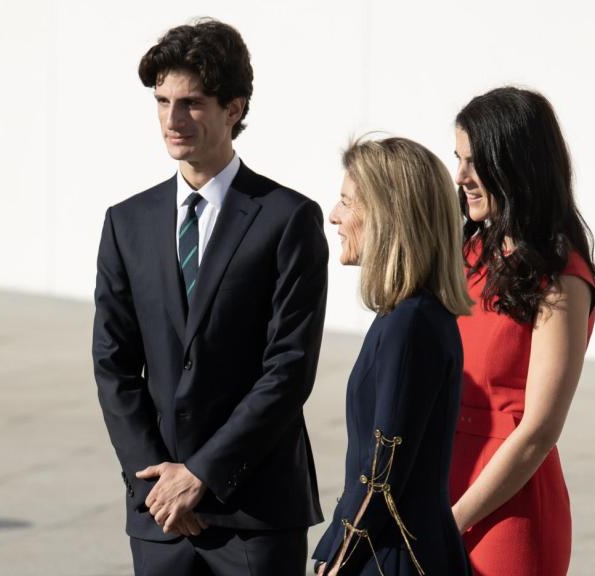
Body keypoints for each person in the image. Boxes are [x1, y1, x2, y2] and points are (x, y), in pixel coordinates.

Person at [93, 18, 328, 576]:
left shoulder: (289, 218)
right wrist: (159, 481)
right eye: (162, 101)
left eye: (192, 103)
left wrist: (200, 475)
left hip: (255, 512)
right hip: (161, 517)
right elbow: (114, 365)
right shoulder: (126, 223)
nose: (173, 120)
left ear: (234, 108)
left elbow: (289, 369)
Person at [448, 87, 595, 575]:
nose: (461, 177)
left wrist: (452, 522)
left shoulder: (561, 278)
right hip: (441, 487)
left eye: (475, 162)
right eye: (459, 160)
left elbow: (537, 431)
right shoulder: (467, 255)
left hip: (505, 513)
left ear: (515, 164)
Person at [311, 136, 473, 575]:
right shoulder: (408, 316)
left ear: (386, 215)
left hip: (389, 558)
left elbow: (382, 473)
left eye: (347, 202)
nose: (334, 216)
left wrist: (338, 554)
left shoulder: (412, 323)